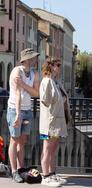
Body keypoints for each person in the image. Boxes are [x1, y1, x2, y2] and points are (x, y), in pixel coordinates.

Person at [6, 48, 40, 183]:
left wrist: (24, 84)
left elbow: (36, 93)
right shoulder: (17, 71)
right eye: (34, 57)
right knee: (14, 140)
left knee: (23, 140)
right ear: (27, 59)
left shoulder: (34, 73)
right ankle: (14, 171)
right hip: (15, 109)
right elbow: (18, 94)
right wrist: (18, 115)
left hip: (28, 110)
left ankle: (21, 169)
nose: (36, 59)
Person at [39, 58, 69, 187]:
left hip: (58, 121)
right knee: (47, 149)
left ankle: (51, 174)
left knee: (53, 149)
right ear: (50, 67)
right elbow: (45, 100)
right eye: (58, 65)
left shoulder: (56, 82)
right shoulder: (46, 82)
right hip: (50, 122)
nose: (59, 67)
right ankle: (45, 176)